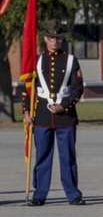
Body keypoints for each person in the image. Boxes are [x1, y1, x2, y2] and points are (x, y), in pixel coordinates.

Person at [23, 20, 85, 206]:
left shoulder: (71, 60)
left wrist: (64, 105)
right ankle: (39, 194)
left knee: (67, 156)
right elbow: (28, 88)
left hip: (65, 115)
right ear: (45, 38)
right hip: (41, 113)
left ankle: (73, 194)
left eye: (57, 37)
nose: (54, 41)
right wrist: (26, 111)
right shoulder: (36, 61)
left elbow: (77, 88)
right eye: (51, 37)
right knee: (42, 156)